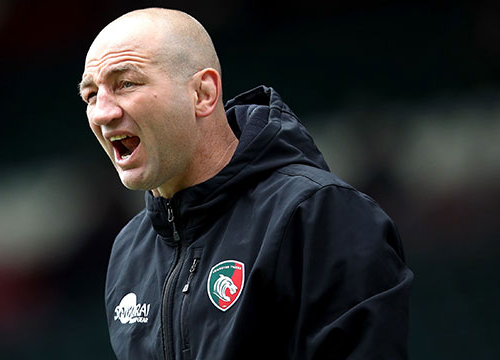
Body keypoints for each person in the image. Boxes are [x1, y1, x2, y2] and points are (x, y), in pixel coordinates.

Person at [79, 7, 413, 360]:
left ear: (203, 93)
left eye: (126, 83)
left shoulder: (318, 214)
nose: (102, 112)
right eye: (90, 95)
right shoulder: (130, 249)